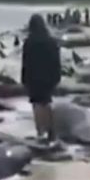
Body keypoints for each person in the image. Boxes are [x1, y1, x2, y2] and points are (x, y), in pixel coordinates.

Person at [21, 14, 62, 142]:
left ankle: (40, 132)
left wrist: (24, 79)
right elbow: (57, 61)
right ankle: (51, 131)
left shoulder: (29, 42)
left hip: (34, 78)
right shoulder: (51, 41)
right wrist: (57, 77)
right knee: (47, 102)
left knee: (37, 105)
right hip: (49, 77)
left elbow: (26, 62)